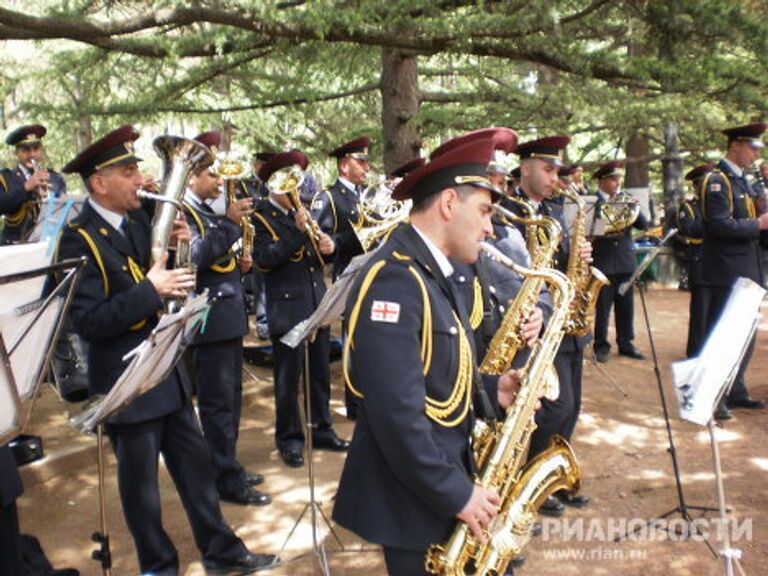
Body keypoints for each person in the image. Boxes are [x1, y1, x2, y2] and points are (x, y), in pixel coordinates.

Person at [56, 125, 277, 575]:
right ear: (99, 183)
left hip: (167, 374)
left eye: (137, 167)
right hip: (127, 382)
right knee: (142, 493)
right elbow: (88, 322)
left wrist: (180, 244)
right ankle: (159, 566)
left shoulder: (141, 220)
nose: (141, 178)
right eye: (128, 170)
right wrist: (149, 290)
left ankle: (223, 553)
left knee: (197, 474)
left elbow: (175, 274)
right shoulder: (79, 239)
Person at [332, 128, 523, 576]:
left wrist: (492, 391)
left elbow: (440, 374)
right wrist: (456, 494)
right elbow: (395, 413)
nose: (490, 227)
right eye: (484, 210)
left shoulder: (436, 270)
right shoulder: (394, 279)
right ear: (449, 203)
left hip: (438, 485)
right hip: (417, 502)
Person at [507, 136, 593, 516]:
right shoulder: (509, 210)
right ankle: (531, 487)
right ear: (525, 168)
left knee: (572, 406)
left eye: (557, 170)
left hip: (566, 316)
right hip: (536, 322)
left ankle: (553, 479)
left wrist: (583, 255)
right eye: (548, 169)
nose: (555, 177)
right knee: (553, 407)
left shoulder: (557, 208)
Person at [183, 131, 270, 506]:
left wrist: (240, 261)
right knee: (218, 406)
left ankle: (227, 465)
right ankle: (225, 478)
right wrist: (232, 224)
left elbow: (216, 256)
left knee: (231, 401)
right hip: (209, 321)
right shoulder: (182, 212)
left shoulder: (205, 212)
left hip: (228, 317)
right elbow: (196, 255)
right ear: (191, 178)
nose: (220, 183)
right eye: (212, 176)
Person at [252, 150, 349, 468]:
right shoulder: (259, 217)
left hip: (315, 304)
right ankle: (290, 439)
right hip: (288, 309)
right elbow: (265, 260)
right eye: (286, 181)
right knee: (288, 381)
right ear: (272, 185)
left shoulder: (303, 212)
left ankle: (322, 429)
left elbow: (316, 262)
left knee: (319, 373)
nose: (293, 187)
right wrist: (296, 229)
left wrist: (329, 247)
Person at [700, 122, 768, 420]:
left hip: (748, 269)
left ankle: (736, 388)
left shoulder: (744, 181)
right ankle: (716, 395)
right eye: (752, 148)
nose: (755, 154)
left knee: (745, 335)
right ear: (735, 146)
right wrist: (758, 224)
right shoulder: (718, 180)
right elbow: (718, 225)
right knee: (724, 335)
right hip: (728, 271)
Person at [591, 160, 648, 363]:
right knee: (603, 308)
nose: (617, 183)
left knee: (626, 306)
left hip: (624, 261)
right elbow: (590, 230)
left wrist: (635, 207)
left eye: (618, 179)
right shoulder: (591, 201)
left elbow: (643, 224)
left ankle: (626, 343)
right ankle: (601, 345)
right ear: (602, 181)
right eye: (613, 179)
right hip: (603, 262)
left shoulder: (625, 199)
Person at [311, 136, 371, 281]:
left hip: (372, 271)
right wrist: (334, 243)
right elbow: (320, 243)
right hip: (348, 275)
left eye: (366, 163)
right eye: (361, 162)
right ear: (344, 167)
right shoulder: (328, 197)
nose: (367, 168)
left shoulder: (369, 193)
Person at [0, 124, 67, 243]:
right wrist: (26, 187)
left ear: (41, 150)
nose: (32, 155)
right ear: (16, 153)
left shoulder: (55, 178)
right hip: (14, 245)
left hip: (47, 244)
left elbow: (62, 210)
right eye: (26, 150)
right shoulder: (5, 177)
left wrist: (48, 195)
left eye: (35, 148)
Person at [677, 163, 711, 358]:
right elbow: (690, 230)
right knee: (701, 311)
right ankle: (696, 353)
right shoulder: (688, 207)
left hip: (717, 262)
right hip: (699, 262)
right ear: (697, 186)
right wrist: (713, 219)